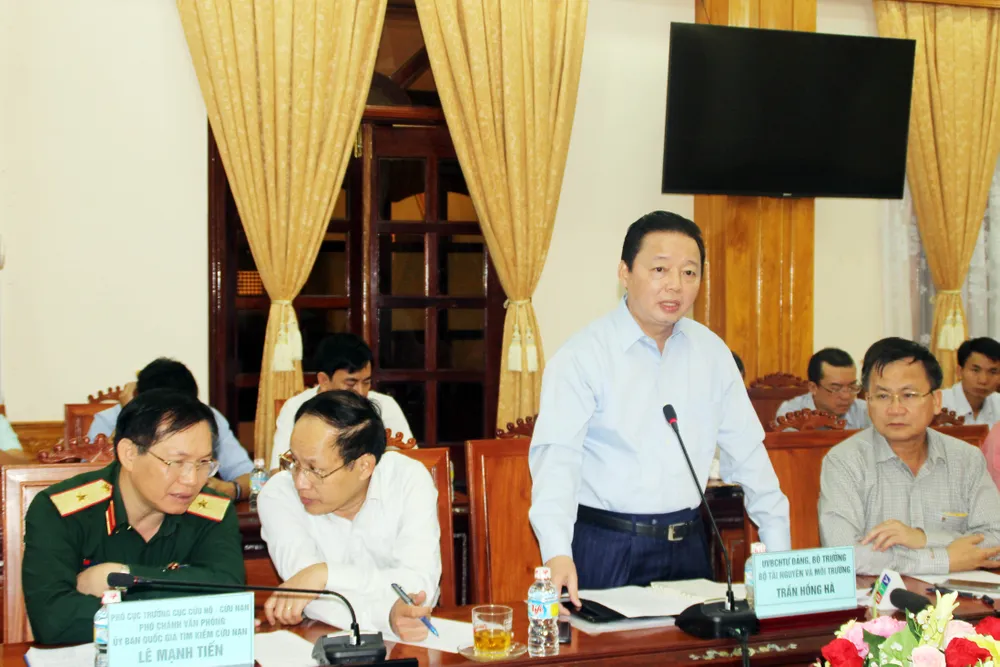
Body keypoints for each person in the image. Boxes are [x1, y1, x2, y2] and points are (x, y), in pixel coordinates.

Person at [528, 211, 790, 605]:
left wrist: (780, 551)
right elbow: (557, 461)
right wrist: (556, 551)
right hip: (607, 546)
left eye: (689, 272)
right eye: (660, 269)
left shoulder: (712, 353)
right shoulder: (583, 356)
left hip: (690, 545)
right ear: (625, 272)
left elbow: (750, 455)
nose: (675, 285)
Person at [23, 389, 245, 644]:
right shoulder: (59, 511)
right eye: (176, 462)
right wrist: (186, 615)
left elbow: (230, 595)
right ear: (129, 454)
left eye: (203, 463)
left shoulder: (214, 510)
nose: (192, 480)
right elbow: (53, 621)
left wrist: (123, 576)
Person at [257, 390, 440, 640]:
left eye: (315, 470)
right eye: (294, 462)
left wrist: (325, 574)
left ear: (364, 466)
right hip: (322, 641)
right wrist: (386, 615)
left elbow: (418, 588)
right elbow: (309, 598)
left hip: (413, 642)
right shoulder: (278, 495)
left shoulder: (408, 480)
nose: (300, 482)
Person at [819, 337, 1000, 575]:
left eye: (909, 395)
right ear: (868, 401)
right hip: (879, 597)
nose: (895, 409)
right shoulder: (844, 461)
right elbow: (843, 554)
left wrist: (922, 539)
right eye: (882, 396)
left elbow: (995, 539)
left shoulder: (967, 459)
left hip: (961, 595)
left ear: (936, 401)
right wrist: (942, 559)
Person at [88, 358, 254, 500]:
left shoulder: (206, 419)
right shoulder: (109, 420)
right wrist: (128, 415)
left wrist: (232, 489)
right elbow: (92, 481)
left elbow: (255, 478)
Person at [268, 333, 414, 470]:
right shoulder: (295, 407)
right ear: (324, 380)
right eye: (351, 384)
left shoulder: (385, 405)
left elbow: (412, 461)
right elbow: (279, 470)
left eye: (366, 382)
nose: (361, 392)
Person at [776, 348, 869, 429]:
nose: (846, 396)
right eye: (836, 388)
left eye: (852, 386)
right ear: (813, 388)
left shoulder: (866, 411)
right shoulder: (790, 415)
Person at [940, 337, 1000, 427]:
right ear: (959, 371)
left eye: (993, 372)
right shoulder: (938, 403)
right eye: (975, 370)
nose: (983, 380)